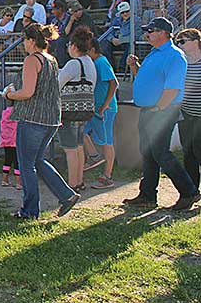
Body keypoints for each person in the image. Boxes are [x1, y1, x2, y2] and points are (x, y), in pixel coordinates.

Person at [3, 23, 80, 219]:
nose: (23, 44)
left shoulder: (32, 60)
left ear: (30, 40)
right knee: (39, 160)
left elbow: (28, 93)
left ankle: (29, 211)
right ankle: (66, 195)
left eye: (24, 40)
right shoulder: (51, 60)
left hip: (32, 119)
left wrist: (10, 94)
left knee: (26, 164)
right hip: (51, 119)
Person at [123, 17, 201, 210]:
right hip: (150, 109)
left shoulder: (174, 56)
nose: (147, 34)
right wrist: (134, 67)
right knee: (148, 153)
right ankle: (148, 195)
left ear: (164, 33)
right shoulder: (155, 53)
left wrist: (158, 108)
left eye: (151, 30)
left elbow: (173, 88)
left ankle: (189, 192)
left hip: (162, 111)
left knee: (161, 153)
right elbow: (148, 79)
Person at [58, 28, 97, 192]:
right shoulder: (90, 62)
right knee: (79, 146)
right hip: (84, 110)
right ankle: (79, 181)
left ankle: (72, 185)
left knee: (70, 149)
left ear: (73, 46)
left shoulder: (73, 64)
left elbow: (56, 85)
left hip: (69, 111)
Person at [83, 35, 119, 189]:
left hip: (105, 109)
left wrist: (105, 105)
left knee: (107, 141)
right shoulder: (93, 62)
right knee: (81, 132)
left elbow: (114, 83)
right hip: (95, 108)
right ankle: (93, 157)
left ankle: (107, 176)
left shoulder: (101, 62)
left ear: (92, 50)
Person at [176, 29, 201, 189]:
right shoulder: (181, 62)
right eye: (178, 42)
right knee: (188, 153)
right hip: (185, 114)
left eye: (183, 41)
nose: (180, 45)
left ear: (196, 41)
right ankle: (192, 189)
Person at [0, 102, 22, 189]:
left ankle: (4, 180)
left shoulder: (4, 113)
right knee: (17, 161)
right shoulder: (18, 114)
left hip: (6, 140)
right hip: (15, 141)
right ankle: (18, 183)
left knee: (7, 160)